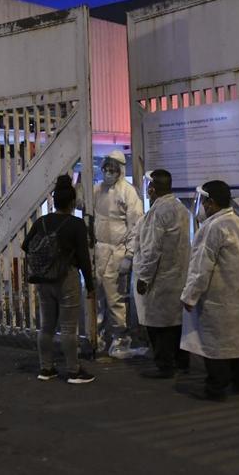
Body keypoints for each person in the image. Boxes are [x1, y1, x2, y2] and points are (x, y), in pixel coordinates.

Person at [180, 180, 239, 401]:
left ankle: (215, 388)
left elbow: (201, 268)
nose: (203, 206)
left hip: (219, 298)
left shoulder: (213, 227)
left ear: (211, 203)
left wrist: (189, 296)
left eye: (204, 201)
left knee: (215, 345)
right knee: (238, 344)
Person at [22, 175, 96, 384]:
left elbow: (26, 245)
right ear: (73, 203)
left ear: (54, 201)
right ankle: (73, 371)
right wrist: (90, 285)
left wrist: (47, 255)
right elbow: (83, 257)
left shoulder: (41, 222)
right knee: (68, 327)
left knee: (46, 326)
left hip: (44, 279)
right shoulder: (76, 224)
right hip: (67, 278)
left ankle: (46, 369)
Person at [133, 169, 191, 378]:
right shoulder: (181, 209)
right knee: (176, 323)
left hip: (160, 278)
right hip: (178, 275)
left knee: (158, 326)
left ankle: (165, 366)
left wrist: (144, 278)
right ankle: (181, 362)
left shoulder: (157, 213)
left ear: (152, 189)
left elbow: (151, 250)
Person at [92, 149, 143, 358]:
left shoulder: (128, 192)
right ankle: (99, 337)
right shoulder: (98, 189)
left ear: (120, 170)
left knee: (115, 299)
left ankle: (120, 338)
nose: (108, 173)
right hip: (99, 250)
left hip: (117, 252)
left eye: (112, 170)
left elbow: (136, 225)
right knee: (97, 297)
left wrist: (129, 255)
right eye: (106, 169)